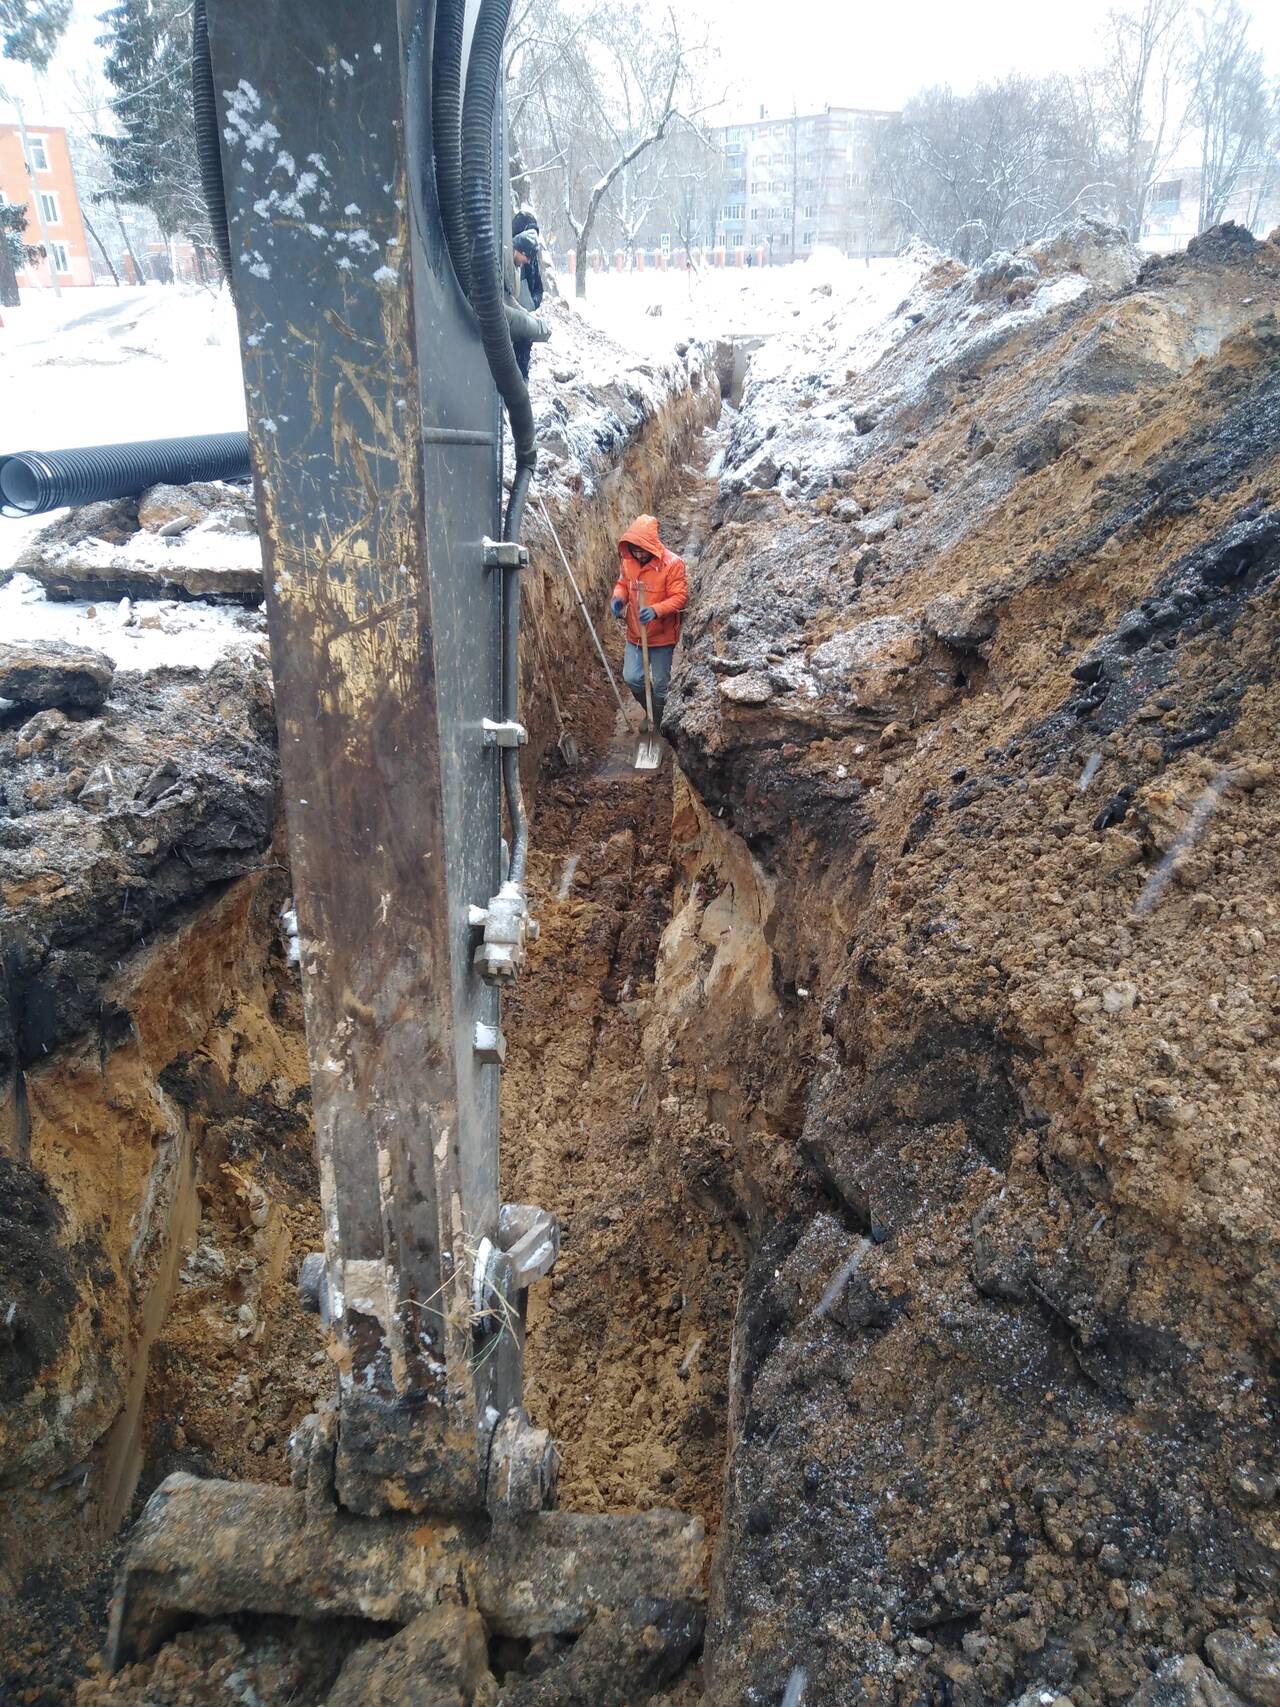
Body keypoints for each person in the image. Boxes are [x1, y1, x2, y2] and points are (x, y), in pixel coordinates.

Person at [610, 515, 688, 731]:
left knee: (662, 686)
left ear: (652, 545)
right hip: (636, 634)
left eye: (642, 549)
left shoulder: (673, 564)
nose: (638, 554)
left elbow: (679, 597)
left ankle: (661, 722)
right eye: (634, 549)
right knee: (632, 678)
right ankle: (651, 712)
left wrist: (655, 610)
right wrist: (618, 599)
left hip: (662, 636)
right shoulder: (628, 562)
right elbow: (623, 585)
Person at [512, 227, 543, 382]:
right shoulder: (508, 263)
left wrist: (532, 306)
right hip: (513, 323)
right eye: (527, 257)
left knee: (522, 362)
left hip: (524, 320)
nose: (528, 262)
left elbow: (538, 287)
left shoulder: (523, 263)